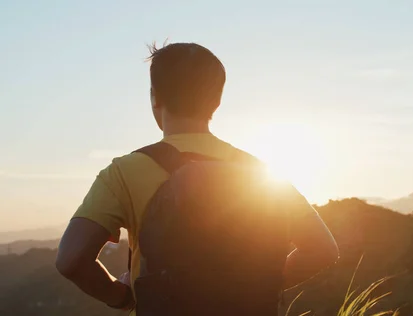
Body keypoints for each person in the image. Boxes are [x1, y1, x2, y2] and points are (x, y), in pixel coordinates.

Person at [55, 42, 339, 315]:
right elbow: (322, 248)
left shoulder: (123, 172)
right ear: (216, 100)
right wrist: (256, 285)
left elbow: (71, 259)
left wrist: (122, 296)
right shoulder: (260, 173)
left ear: (154, 96)